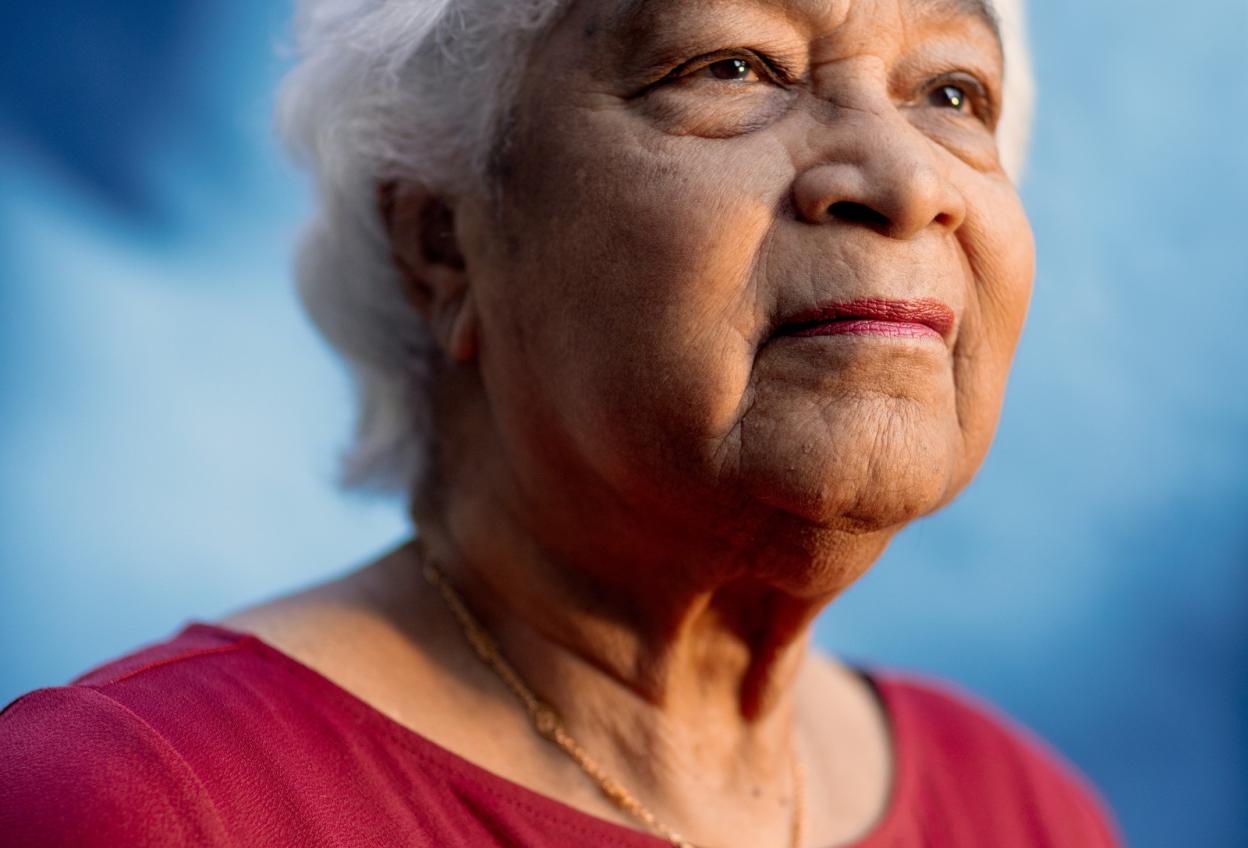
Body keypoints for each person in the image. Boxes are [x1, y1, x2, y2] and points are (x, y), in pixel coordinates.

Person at [1, 0, 1121, 845]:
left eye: (953, 94)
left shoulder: (1026, 808)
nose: (905, 177)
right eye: (734, 66)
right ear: (442, 243)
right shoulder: (147, 799)